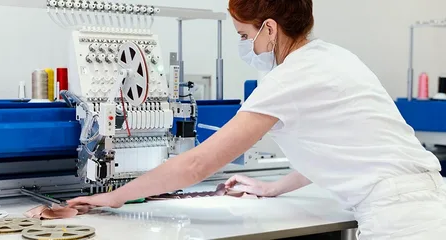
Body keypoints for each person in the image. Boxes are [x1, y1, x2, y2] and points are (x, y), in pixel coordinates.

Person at [68, 0, 446, 239]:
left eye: (243, 34)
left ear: (269, 28)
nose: (243, 45)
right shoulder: (335, 57)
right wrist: (273, 188)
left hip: (401, 222)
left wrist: (112, 198)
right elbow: (343, 146)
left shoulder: (289, 77)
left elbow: (198, 163)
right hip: (431, 203)